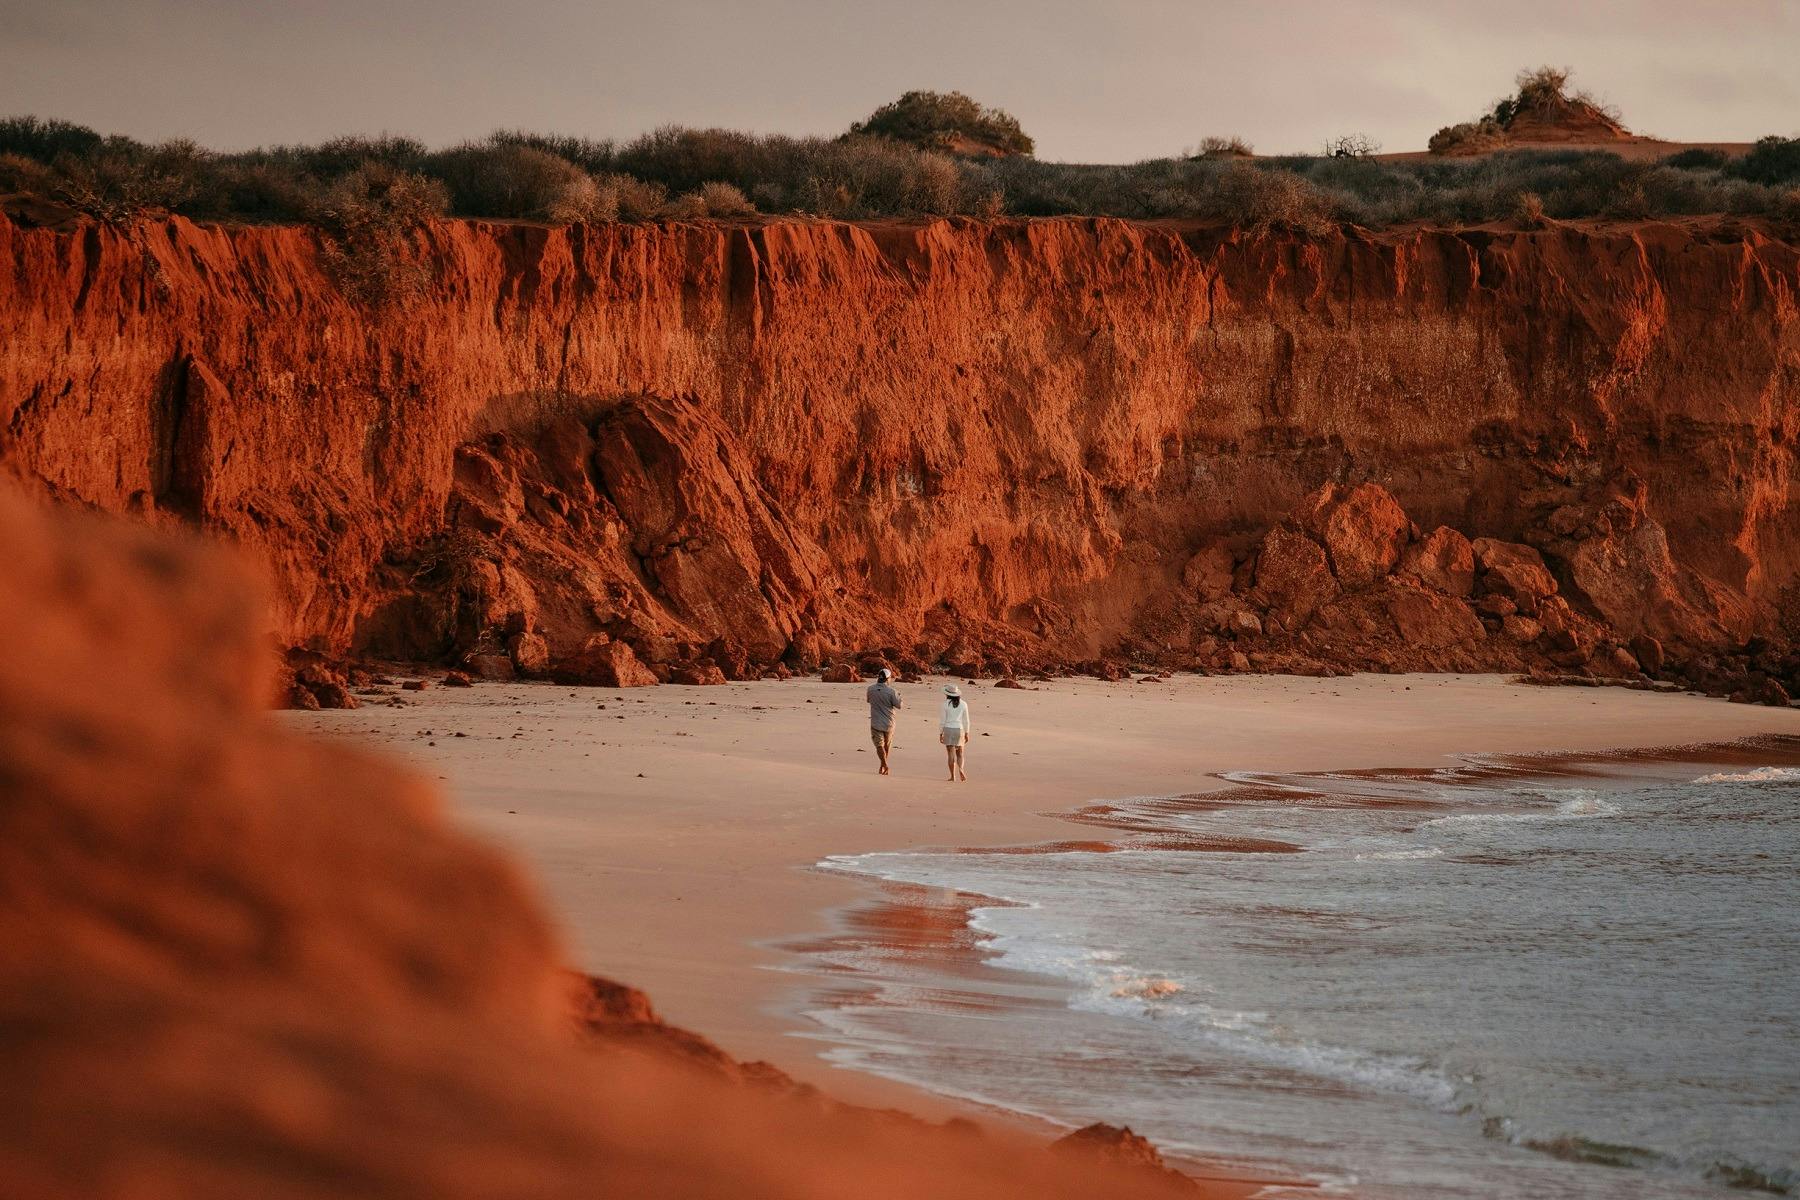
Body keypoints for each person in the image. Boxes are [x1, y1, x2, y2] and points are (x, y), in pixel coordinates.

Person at [865, 668, 903, 775]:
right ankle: (884, 765)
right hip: (889, 722)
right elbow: (899, 705)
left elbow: (868, 700)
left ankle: (883, 765)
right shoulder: (892, 692)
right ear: (887, 679)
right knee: (886, 745)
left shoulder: (870, 689)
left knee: (879, 745)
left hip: (876, 722)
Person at [939, 684, 971, 782]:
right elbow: (966, 720)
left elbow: (942, 721)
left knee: (950, 754)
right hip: (959, 729)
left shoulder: (944, 704)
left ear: (947, 694)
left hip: (948, 729)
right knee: (960, 753)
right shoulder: (964, 704)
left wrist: (941, 733)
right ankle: (961, 769)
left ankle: (953, 776)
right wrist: (967, 732)